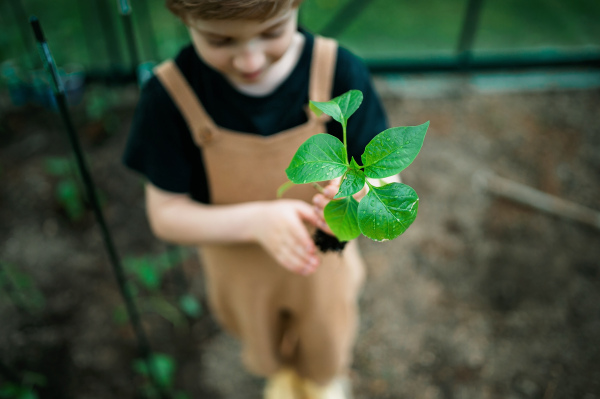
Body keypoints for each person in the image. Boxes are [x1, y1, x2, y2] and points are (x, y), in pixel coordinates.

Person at [122, 0, 394, 397]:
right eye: (220, 40)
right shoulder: (168, 98)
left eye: (271, 33)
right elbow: (166, 214)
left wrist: (364, 191)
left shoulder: (338, 71)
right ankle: (283, 379)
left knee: (326, 347)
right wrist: (256, 222)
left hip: (322, 269)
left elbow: (388, 175)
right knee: (264, 345)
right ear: (184, 18)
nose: (250, 60)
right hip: (242, 274)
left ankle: (322, 384)